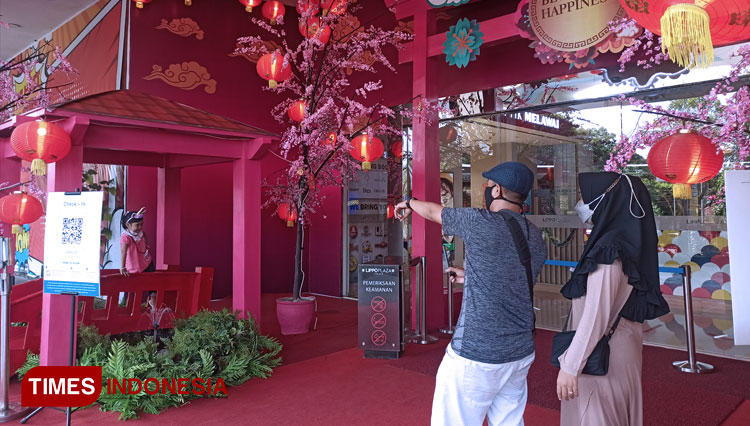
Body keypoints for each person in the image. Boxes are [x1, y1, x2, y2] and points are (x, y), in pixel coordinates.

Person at [395, 161, 547, 426]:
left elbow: (433, 211)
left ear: (497, 190)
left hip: (477, 353)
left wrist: (408, 203)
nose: (486, 190)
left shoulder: (479, 221)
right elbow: (512, 280)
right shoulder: (534, 235)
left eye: (489, 186)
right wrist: (470, 275)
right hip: (520, 352)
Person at [555, 172, 670, 426]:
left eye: (585, 196)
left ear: (603, 200)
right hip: (621, 349)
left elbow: (596, 316)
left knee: (595, 415)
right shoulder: (630, 245)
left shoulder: (609, 251)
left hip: (600, 356)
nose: (581, 203)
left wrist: (571, 366)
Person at [120, 207, 154, 277]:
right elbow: (124, 252)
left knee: (150, 285)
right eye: (137, 225)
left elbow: (144, 236)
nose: (140, 227)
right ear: (128, 225)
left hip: (147, 264)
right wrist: (123, 267)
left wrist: (147, 245)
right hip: (134, 268)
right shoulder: (126, 237)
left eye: (141, 224)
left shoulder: (141, 233)